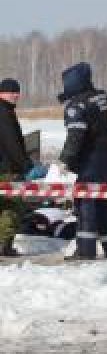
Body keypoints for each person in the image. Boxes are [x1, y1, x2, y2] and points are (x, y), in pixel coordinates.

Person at [58, 62, 107, 260]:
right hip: (105, 158)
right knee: (105, 201)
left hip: (89, 160)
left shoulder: (77, 106)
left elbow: (76, 135)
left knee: (87, 203)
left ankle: (86, 250)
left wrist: (65, 160)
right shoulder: (102, 98)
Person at [0, 79, 44, 256]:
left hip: (6, 167)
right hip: (7, 170)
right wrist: (27, 166)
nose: (16, 95)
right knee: (10, 208)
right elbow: (12, 144)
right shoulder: (4, 113)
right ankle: (4, 246)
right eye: (11, 92)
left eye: (17, 91)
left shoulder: (7, 111)